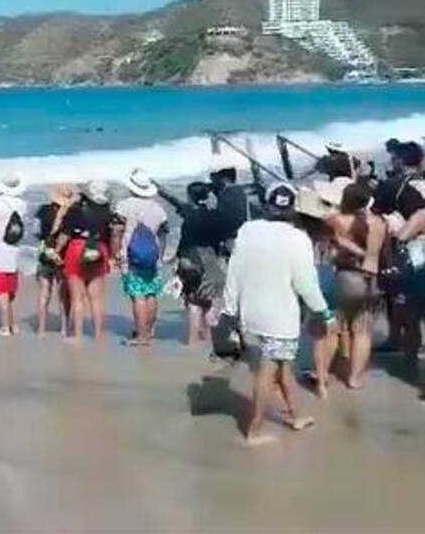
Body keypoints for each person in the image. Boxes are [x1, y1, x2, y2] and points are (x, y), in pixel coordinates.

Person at [222, 184, 332, 446]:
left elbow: (233, 271)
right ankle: (255, 430)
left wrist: (229, 308)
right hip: (280, 317)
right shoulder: (298, 238)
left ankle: (296, 415)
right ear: (293, 208)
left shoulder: (248, 230)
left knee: (283, 366)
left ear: (267, 205)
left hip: (250, 312)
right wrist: (323, 311)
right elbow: (305, 284)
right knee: (268, 371)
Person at [323, 182, 386, 392]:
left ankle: (327, 371)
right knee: (363, 330)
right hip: (371, 279)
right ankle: (355, 378)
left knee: (339, 326)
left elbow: (326, 244)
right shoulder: (379, 222)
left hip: (346, 277)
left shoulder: (337, 220)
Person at [372, 140, 425, 361]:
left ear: (400, 161)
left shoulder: (393, 185)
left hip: (410, 248)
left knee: (403, 301)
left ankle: (404, 349)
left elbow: (375, 213)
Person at [159, 181, 228, 346]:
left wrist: (175, 259)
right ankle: (209, 342)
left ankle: (193, 341)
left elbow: (185, 243)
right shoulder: (216, 215)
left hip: (192, 261)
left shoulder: (190, 215)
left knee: (194, 303)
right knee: (208, 302)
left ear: (190, 197)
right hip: (212, 262)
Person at [55, 181, 115, 344]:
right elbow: (111, 237)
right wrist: (112, 256)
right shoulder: (107, 212)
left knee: (77, 297)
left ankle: (78, 335)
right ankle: (98, 335)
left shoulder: (76, 210)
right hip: (99, 249)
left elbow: (65, 235)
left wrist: (56, 250)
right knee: (96, 298)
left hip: (77, 248)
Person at [116, 169, 169, 346]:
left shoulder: (124, 206)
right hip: (152, 257)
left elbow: (116, 232)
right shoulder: (159, 209)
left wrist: (116, 253)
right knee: (151, 293)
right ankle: (149, 330)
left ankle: (142, 336)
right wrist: (160, 256)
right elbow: (163, 235)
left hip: (131, 257)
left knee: (137, 295)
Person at [0, 174, 29, 337]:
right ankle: (14, 325)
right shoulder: (23, 205)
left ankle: (4, 327)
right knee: (10, 292)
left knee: (0, 292)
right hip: (14, 252)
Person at [34, 184, 76, 337]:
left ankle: (41, 329)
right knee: (63, 293)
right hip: (63, 255)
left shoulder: (42, 210)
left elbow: (35, 231)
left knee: (44, 291)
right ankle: (64, 328)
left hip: (45, 252)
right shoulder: (71, 213)